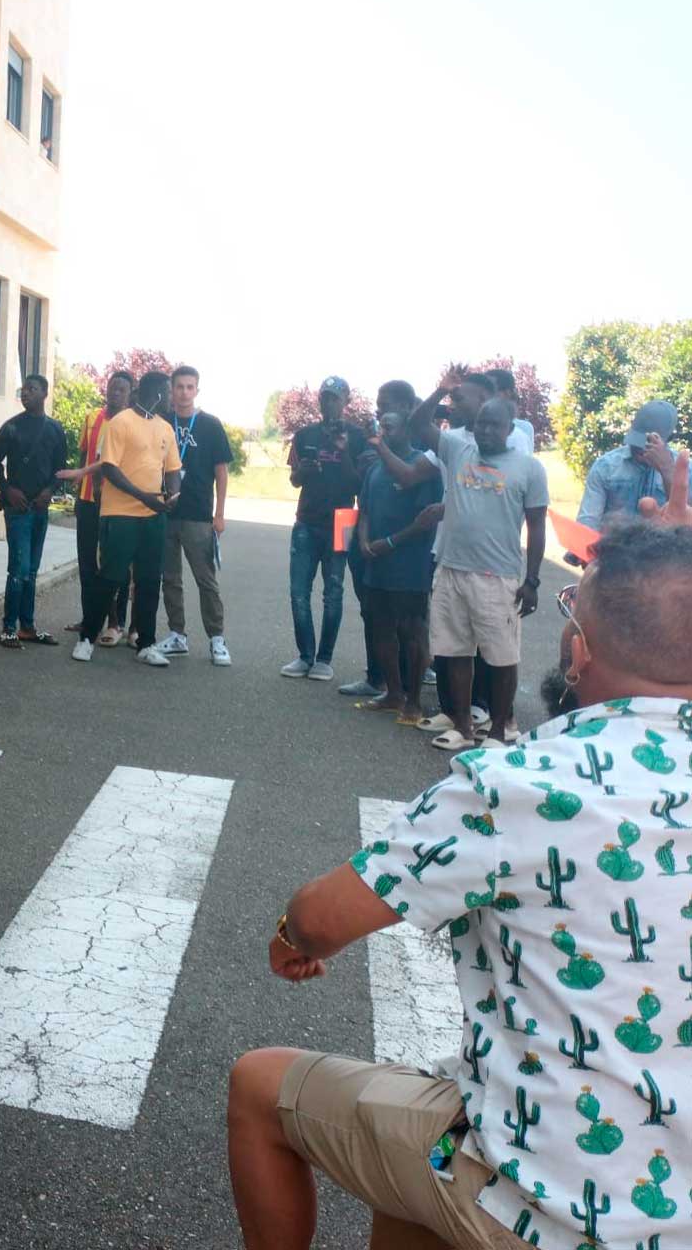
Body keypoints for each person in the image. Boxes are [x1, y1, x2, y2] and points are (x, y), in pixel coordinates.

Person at [227, 517, 692, 1250]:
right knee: (418, 1153)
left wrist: (290, 940)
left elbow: (319, 917)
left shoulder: (526, 783)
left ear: (578, 650)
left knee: (259, 1085)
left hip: (546, 1204)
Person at [409, 371, 549, 748]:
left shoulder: (529, 468)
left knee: (501, 657)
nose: (486, 431)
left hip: (497, 575)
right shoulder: (457, 448)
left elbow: (536, 528)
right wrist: (440, 389)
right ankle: (463, 727)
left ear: (509, 428)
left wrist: (532, 580)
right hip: (452, 569)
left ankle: (501, 730)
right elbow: (416, 423)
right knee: (454, 652)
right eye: (482, 423)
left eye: (494, 425)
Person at [60, 370, 181, 668]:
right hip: (120, 514)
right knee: (111, 578)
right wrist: (144, 497)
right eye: (168, 391)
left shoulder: (166, 428)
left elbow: (172, 470)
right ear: (156, 393)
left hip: (154, 516)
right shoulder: (121, 422)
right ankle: (87, 638)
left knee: (150, 580)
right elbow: (110, 468)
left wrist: (172, 496)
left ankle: (146, 643)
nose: (172, 397)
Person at [352, 398, 442, 724]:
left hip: (409, 564)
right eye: (381, 426)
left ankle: (414, 702)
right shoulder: (375, 468)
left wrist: (390, 542)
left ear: (407, 430)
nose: (382, 431)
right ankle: (393, 693)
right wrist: (363, 541)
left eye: (389, 427)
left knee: (412, 630)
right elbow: (363, 510)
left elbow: (424, 521)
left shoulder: (420, 468)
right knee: (380, 627)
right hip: (376, 562)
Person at [281, 376, 367, 681]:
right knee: (298, 592)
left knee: (333, 591)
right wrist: (303, 470)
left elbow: (359, 485)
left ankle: (324, 659)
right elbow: (294, 479)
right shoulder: (304, 435)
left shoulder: (357, 437)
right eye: (324, 397)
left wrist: (343, 452)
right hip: (306, 518)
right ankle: (305, 656)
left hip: (343, 519)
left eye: (334, 397)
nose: (328, 402)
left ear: (346, 401)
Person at [156, 365, 232, 666]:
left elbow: (221, 472)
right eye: (179, 387)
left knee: (206, 580)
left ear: (197, 391)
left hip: (199, 515)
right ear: (171, 390)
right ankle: (177, 635)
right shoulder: (162, 423)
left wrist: (220, 513)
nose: (184, 392)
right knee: (170, 578)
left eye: (190, 387)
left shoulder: (210, 425)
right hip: (165, 512)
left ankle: (217, 639)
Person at [0, 373, 67, 649]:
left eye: (32, 389)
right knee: (18, 568)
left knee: (32, 569)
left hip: (40, 508)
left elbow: (60, 469)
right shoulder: (11, 428)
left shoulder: (55, 429)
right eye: (23, 389)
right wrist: (7, 489)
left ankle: (27, 626)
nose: (25, 393)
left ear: (45, 393)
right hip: (17, 509)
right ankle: (9, 628)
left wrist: (50, 490)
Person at [71, 371, 133, 648]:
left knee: (114, 564)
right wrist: (77, 491)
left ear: (130, 394)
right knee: (86, 563)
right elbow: (85, 455)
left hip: (117, 505)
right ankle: (88, 619)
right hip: (87, 502)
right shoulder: (91, 418)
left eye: (122, 389)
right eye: (113, 387)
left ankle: (115, 622)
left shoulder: (132, 423)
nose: (116, 393)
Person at [575, 399, 675, 532]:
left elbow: (686, 528)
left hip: (666, 551)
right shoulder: (606, 467)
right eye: (637, 440)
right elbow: (587, 524)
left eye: (648, 442)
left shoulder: (687, 472)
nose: (640, 449)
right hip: (612, 548)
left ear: (668, 439)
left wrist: (667, 471)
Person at [484, 367, 535, 452]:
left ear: (507, 393)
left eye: (489, 390)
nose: (484, 395)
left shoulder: (523, 428)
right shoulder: (477, 426)